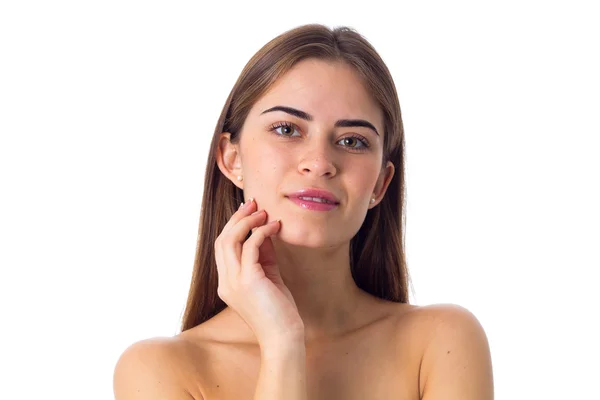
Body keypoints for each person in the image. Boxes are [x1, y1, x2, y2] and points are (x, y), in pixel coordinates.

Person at [113, 23, 494, 399]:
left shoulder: (443, 343)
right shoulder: (157, 371)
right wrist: (281, 343)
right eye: (286, 130)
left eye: (352, 140)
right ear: (231, 158)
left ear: (380, 183)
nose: (319, 162)